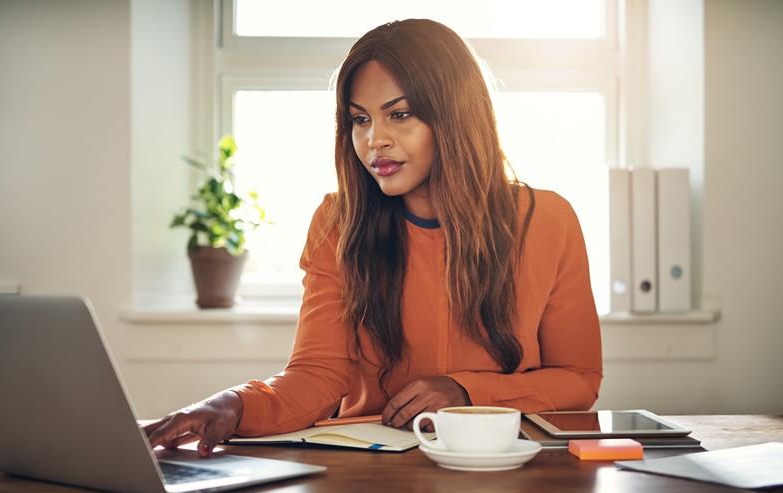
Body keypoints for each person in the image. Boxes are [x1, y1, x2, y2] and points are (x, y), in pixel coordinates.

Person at [144, 18, 602, 457]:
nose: (373, 140)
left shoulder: (547, 220)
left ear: (456, 116)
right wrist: (233, 403)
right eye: (360, 120)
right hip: (375, 466)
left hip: (507, 465)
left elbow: (579, 379)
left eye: (398, 114)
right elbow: (317, 376)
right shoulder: (337, 222)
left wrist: (467, 390)